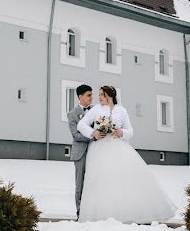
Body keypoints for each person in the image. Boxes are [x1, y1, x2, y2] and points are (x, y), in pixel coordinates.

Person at [75, 85, 176, 223]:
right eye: (98, 95)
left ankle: (124, 214)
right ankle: (99, 215)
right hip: (99, 149)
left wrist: (121, 132)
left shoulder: (121, 111)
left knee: (119, 179)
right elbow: (81, 124)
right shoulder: (96, 109)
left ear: (110, 96)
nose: (99, 97)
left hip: (118, 148)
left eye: (101, 95)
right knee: (101, 181)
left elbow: (130, 131)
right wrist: (94, 133)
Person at [67, 84, 105, 219]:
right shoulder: (72, 114)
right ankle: (80, 213)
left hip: (95, 152)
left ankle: (94, 211)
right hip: (80, 153)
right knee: (80, 184)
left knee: (94, 182)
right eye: (88, 95)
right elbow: (76, 135)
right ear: (80, 97)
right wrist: (93, 136)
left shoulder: (95, 110)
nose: (91, 98)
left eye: (92, 95)